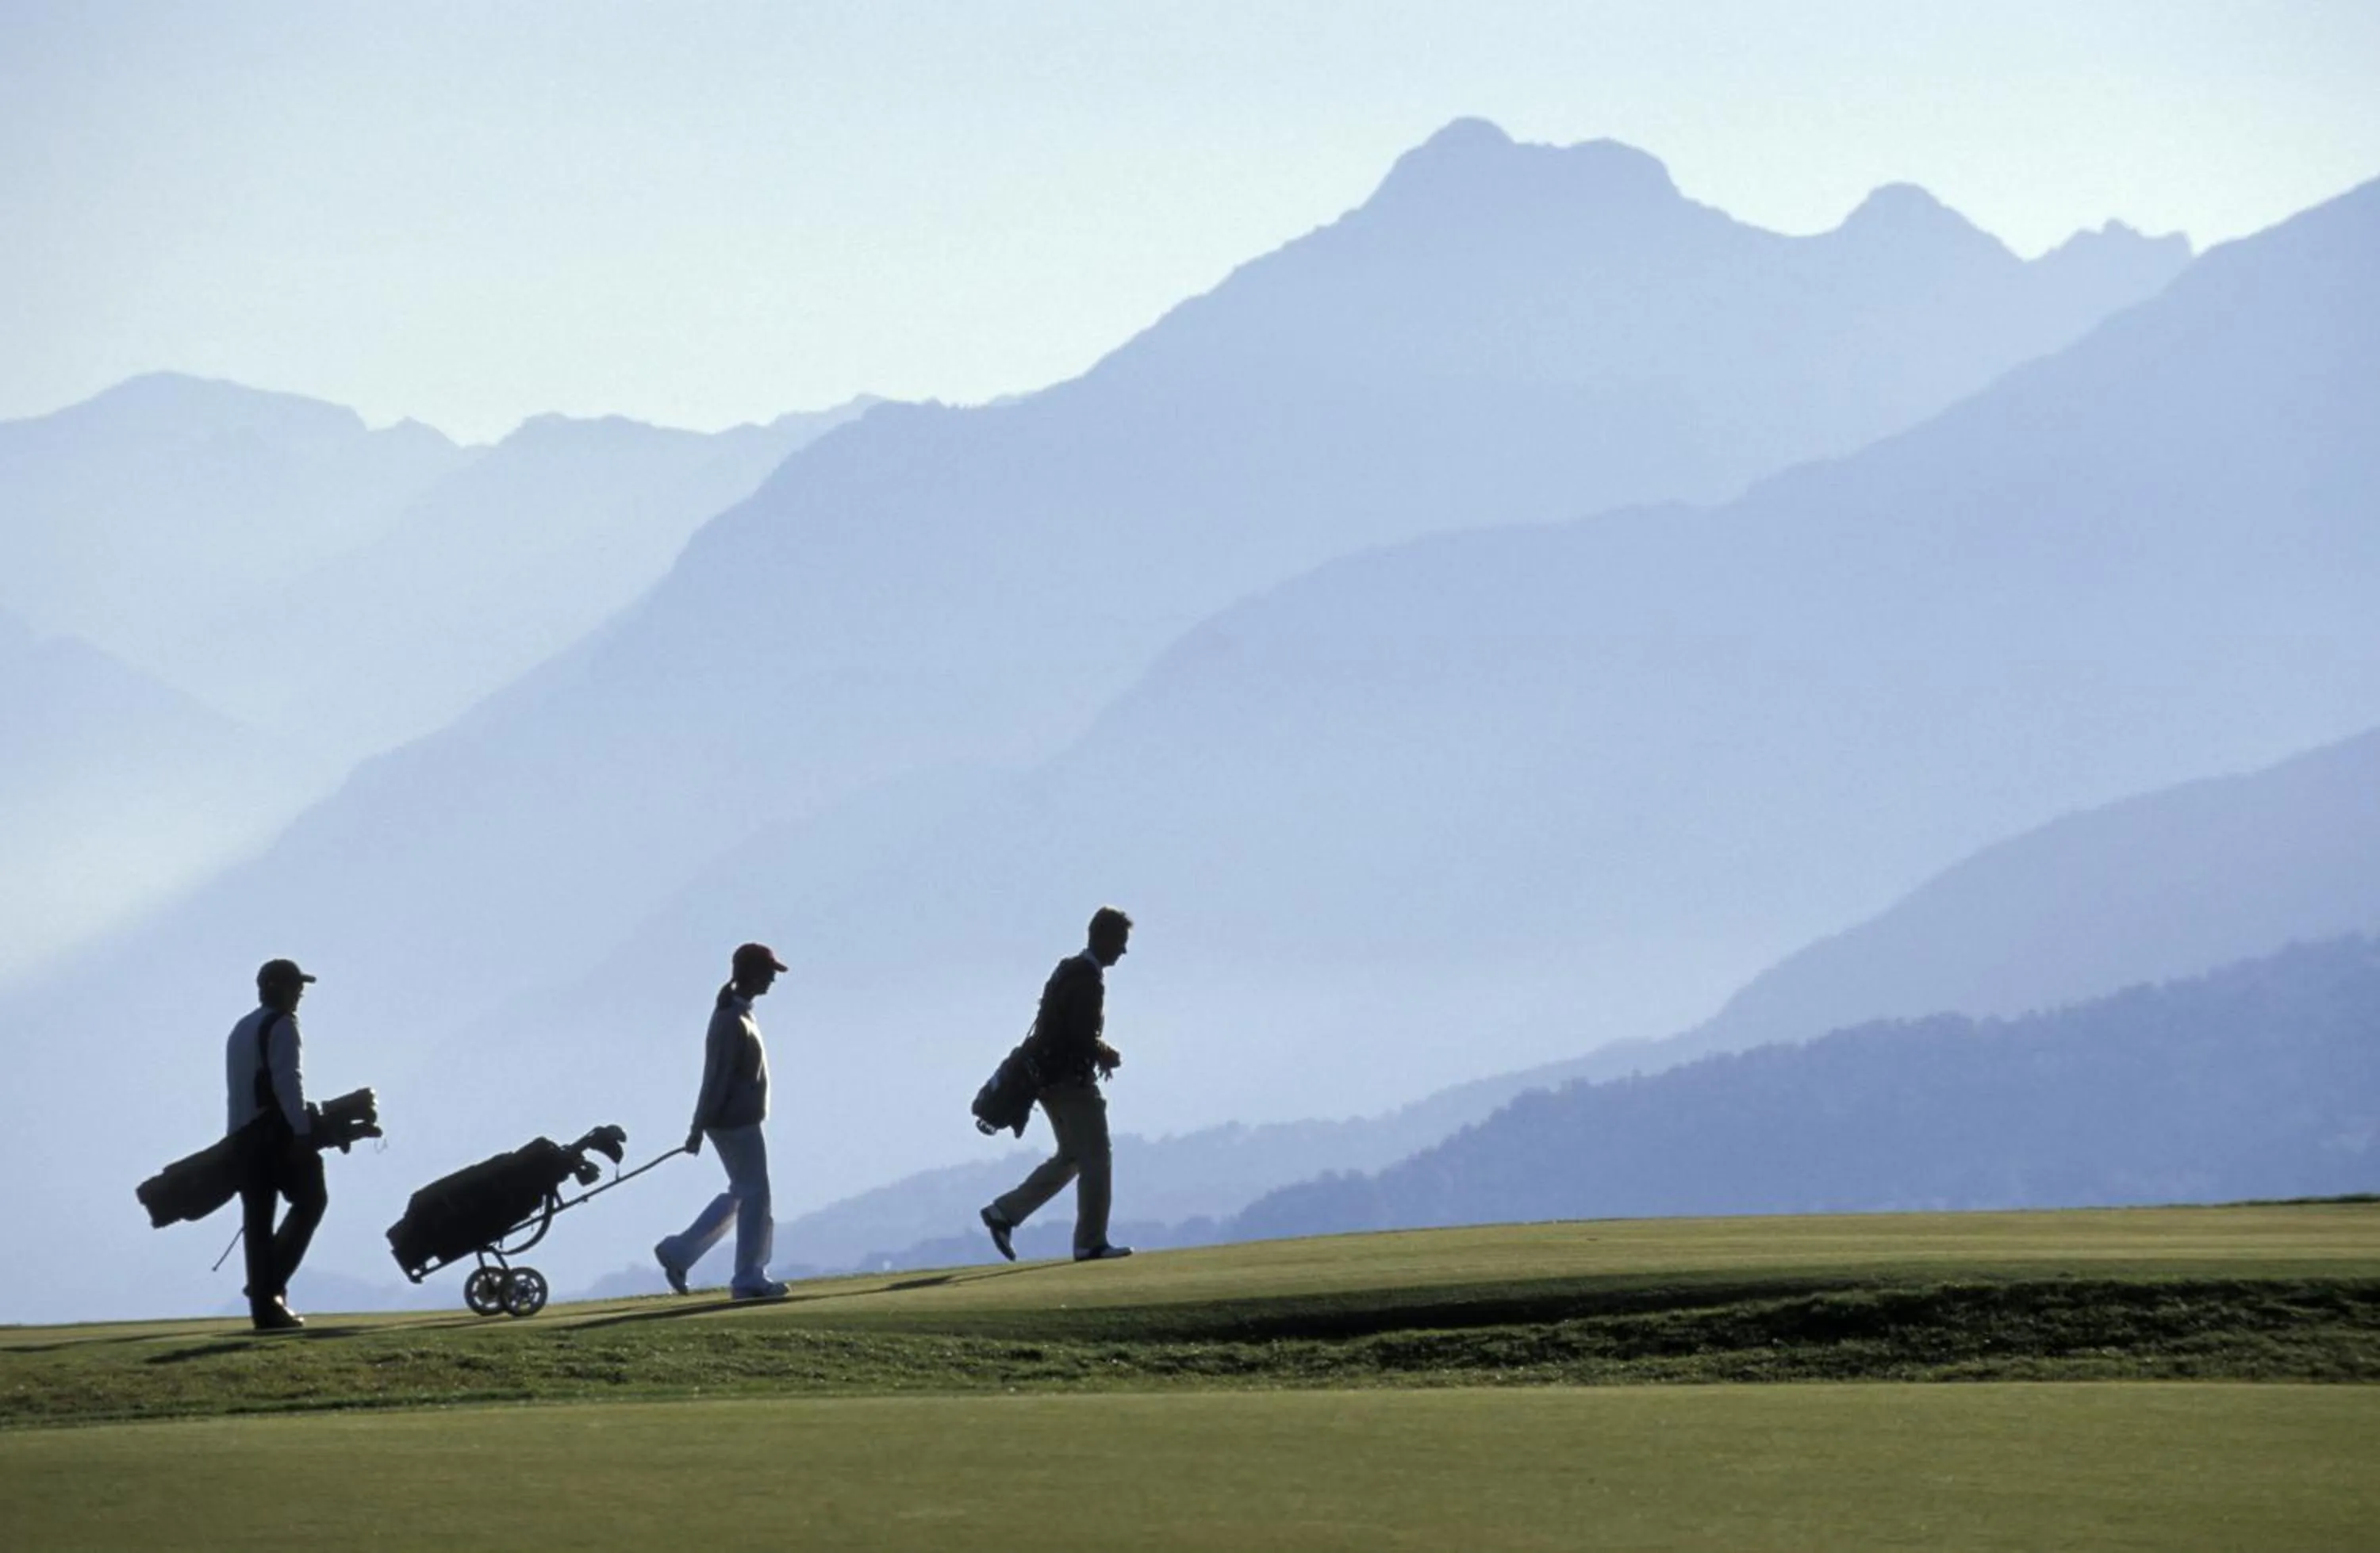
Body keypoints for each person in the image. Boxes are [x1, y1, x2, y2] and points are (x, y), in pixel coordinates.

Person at [981, 907, 1135, 1263]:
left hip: (1047, 1082)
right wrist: (1105, 1053)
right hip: (1070, 1084)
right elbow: (1079, 1035)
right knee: (1097, 1158)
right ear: (1104, 937)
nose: (1123, 951)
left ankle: (1004, 1213)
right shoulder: (1087, 978)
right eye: (1121, 942)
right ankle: (1090, 1243)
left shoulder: (1069, 970)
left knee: (1071, 1158)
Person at [654, 942, 791, 1299]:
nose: (772, 981)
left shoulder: (739, 1011)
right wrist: (697, 1127)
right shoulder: (731, 1018)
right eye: (768, 974)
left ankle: (680, 1252)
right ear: (751, 973)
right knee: (756, 1195)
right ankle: (748, 1277)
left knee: (742, 1193)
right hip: (733, 1122)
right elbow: (715, 1077)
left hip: (736, 1120)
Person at [225, 957, 329, 1331]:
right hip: (273, 1136)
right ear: (277, 989)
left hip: (241, 1138)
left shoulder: (242, 1028)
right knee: (312, 1200)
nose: (299, 993)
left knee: (257, 1220)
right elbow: (289, 1083)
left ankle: (265, 1308)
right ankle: (267, 1288)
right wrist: (301, 1133)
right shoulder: (282, 1025)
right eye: (294, 986)